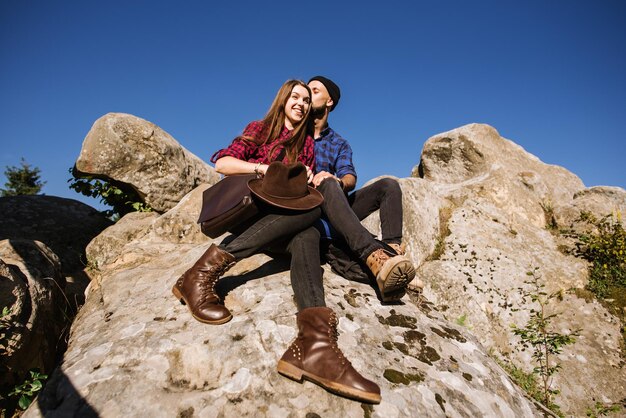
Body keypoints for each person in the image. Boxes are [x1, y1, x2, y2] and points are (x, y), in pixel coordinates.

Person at [171, 79, 381, 404]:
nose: (300, 103)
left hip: (285, 224)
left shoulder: (307, 146)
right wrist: (266, 169)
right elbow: (223, 163)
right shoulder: (261, 129)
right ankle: (199, 275)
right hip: (252, 215)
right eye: (295, 97)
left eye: (305, 100)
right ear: (283, 99)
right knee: (308, 216)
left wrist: (318, 179)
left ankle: (315, 346)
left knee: (308, 228)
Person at [307, 76, 421, 302]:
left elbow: (349, 175)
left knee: (388, 185)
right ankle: (377, 259)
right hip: (308, 208)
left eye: (315, 91)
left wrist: (339, 182)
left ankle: (391, 251)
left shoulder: (338, 143)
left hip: (336, 204)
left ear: (329, 102)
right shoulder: (295, 134)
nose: (308, 95)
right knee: (327, 186)